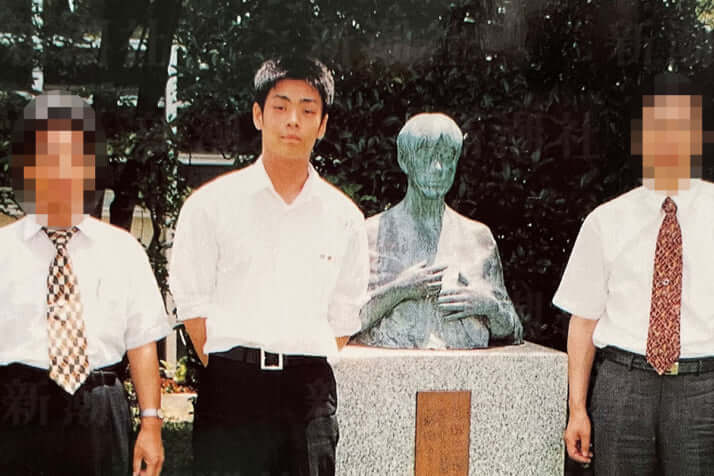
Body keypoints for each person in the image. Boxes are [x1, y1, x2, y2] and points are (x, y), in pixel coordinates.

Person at [169, 56, 369, 476]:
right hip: (232, 393)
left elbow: (343, 318)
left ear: (323, 124)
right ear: (258, 115)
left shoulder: (344, 218)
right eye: (280, 106)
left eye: (307, 110)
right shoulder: (210, 206)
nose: (293, 121)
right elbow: (193, 309)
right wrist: (241, 366)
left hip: (307, 397)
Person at [0, 91, 168, 476]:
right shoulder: (3, 250)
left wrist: (151, 423)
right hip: (17, 408)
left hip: (99, 408)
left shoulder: (122, 250)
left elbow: (142, 341)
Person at [555, 72, 714, 475]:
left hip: (702, 389)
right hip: (623, 387)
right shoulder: (605, 221)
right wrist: (577, 409)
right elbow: (583, 321)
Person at [352, 113, 522, 349]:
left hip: (467, 365)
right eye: (426, 155)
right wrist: (400, 289)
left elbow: (513, 330)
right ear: (404, 160)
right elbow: (346, 322)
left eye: (447, 156)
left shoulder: (478, 238)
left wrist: (488, 307)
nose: (438, 168)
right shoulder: (371, 234)